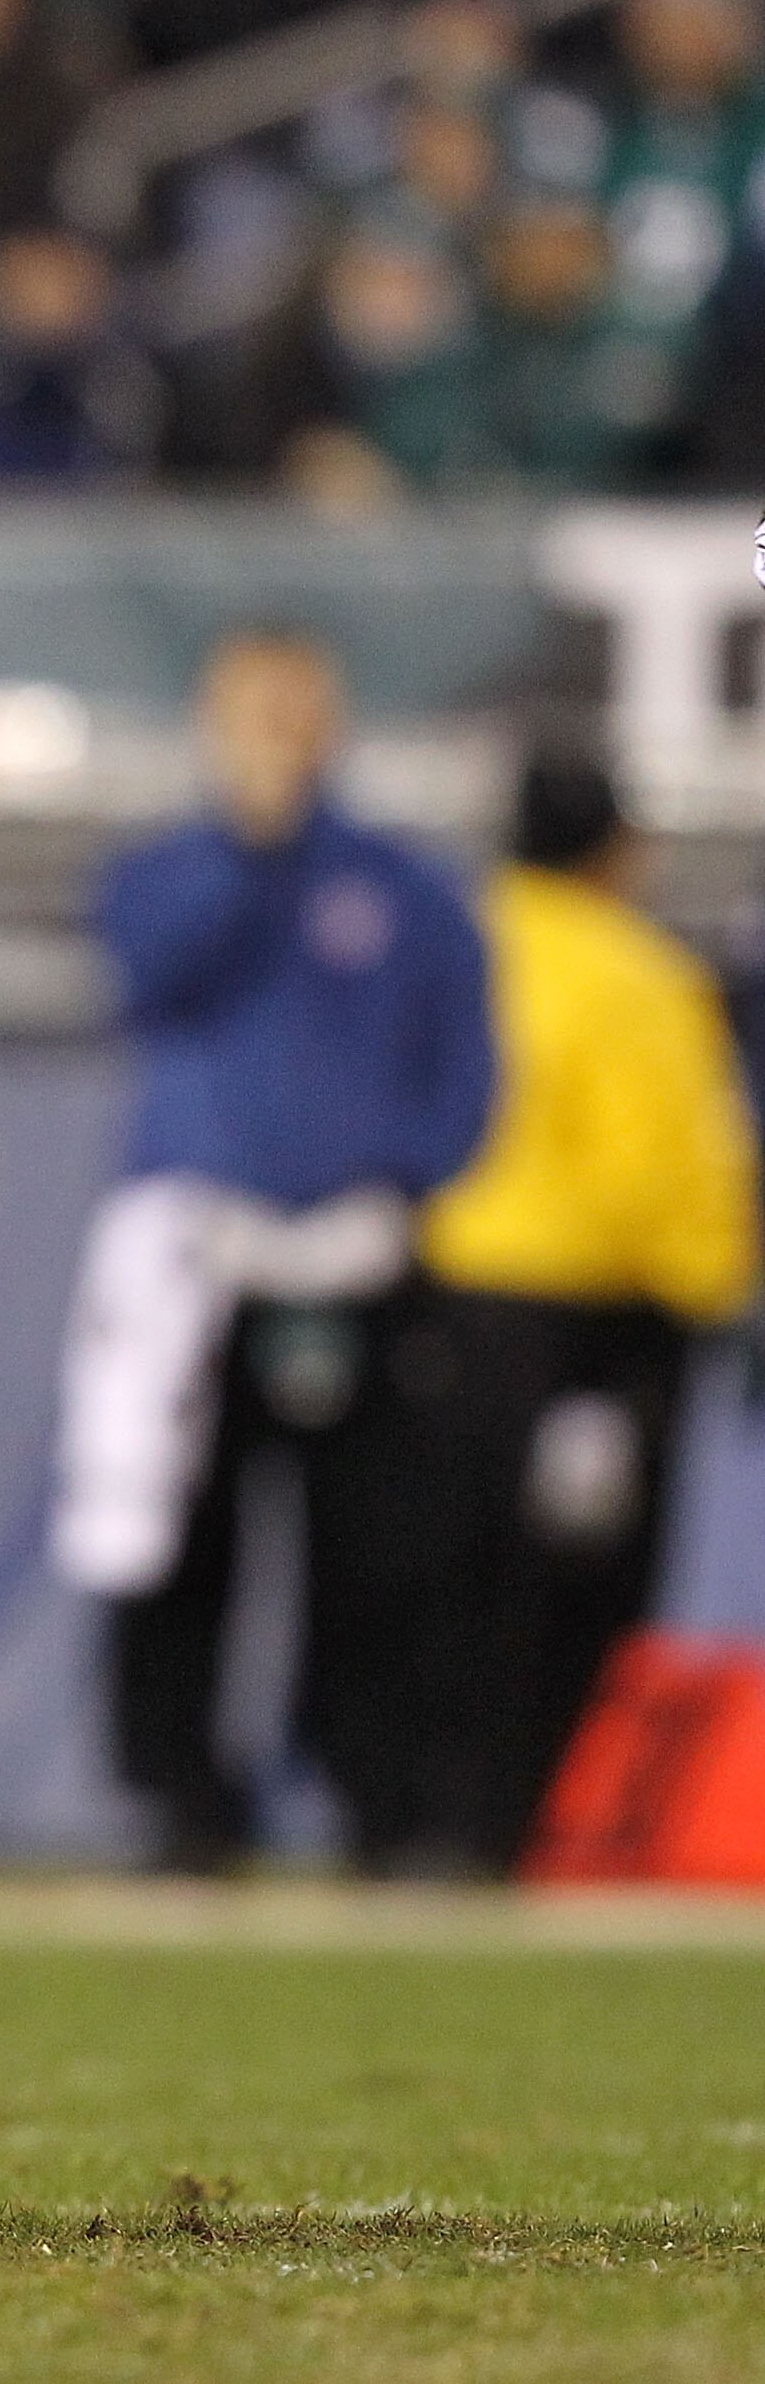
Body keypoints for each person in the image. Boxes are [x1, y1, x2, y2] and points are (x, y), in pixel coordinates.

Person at [53, 629, 494, 1872]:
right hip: (200, 1260)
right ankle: (182, 1796)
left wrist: (390, 1182)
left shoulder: (406, 889)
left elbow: (462, 1073)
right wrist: (249, 848)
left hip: (359, 1256)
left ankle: (376, 1794)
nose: (280, 734)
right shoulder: (163, 872)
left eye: (299, 708)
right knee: (173, 1540)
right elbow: (149, 977)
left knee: (376, 1548)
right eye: (256, 710)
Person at [411, 751, 757, 1869]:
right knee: (575, 1589)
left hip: (444, 1293)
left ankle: (426, 1820)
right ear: (616, 846)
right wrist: (711, 1286)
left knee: (447, 1573)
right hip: (597, 1317)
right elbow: (676, 1158)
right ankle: (516, 1820)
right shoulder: (639, 972)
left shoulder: (452, 942)